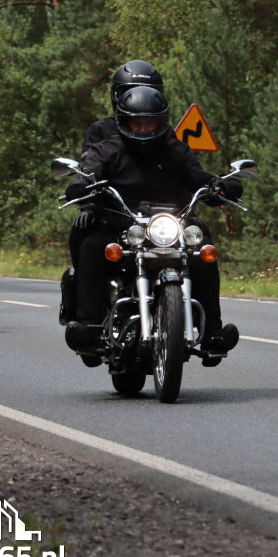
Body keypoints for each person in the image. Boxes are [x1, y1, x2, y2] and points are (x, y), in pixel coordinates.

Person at [63, 85, 242, 366]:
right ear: (124, 122)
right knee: (91, 246)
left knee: (204, 251)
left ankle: (213, 334)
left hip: (168, 225)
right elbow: (89, 171)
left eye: (150, 123)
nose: (145, 129)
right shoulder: (108, 149)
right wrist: (80, 184)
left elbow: (197, 176)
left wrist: (220, 185)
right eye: (138, 123)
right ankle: (89, 327)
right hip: (123, 225)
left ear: (161, 121)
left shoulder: (174, 149)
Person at [68, 60, 165, 269]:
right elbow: (89, 168)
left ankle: (206, 303)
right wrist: (86, 204)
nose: (139, 99)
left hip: (159, 218)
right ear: (116, 96)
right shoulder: (101, 131)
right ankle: (80, 298)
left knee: (203, 246)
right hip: (115, 213)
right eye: (130, 92)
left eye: (147, 92)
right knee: (84, 237)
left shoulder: (166, 134)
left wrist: (214, 185)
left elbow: (186, 170)